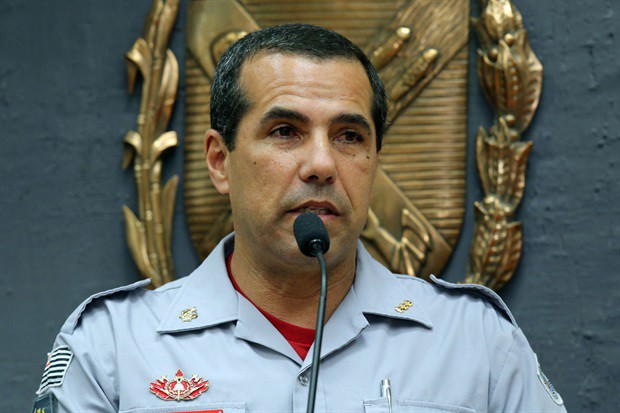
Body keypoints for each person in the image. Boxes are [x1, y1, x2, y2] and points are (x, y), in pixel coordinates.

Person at [33, 24, 566, 413]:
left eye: (349, 136)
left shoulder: (475, 342)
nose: (322, 165)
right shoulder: (113, 348)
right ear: (219, 161)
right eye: (285, 131)